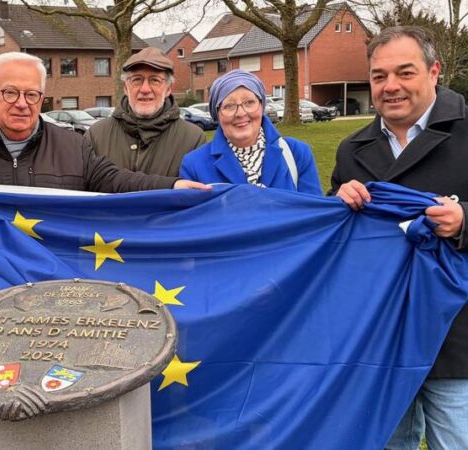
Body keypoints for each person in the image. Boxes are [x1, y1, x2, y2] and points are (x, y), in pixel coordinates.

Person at [329, 26, 468, 450]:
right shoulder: (353, 149)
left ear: (434, 71)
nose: (391, 87)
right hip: (382, 335)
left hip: (456, 336)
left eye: (405, 73)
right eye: (378, 76)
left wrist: (464, 222)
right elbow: (337, 243)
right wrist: (336, 202)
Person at [0, 52, 207, 192]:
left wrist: (173, 186)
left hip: (50, 283)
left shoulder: (73, 146)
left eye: (31, 94)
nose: (21, 103)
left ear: (42, 97)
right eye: (10, 92)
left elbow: (118, 180)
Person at [179, 69, 322, 194]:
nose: (240, 113)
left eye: (249, 102)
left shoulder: (297, 153)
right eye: (229, 106)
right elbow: (195, 221)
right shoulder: (194, 165)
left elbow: (314, 216)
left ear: (261, 106)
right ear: (217, 114)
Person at [84, 47, 206, 176]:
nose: (145, 89)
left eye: (155, 80)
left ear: (169, 89)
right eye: (137, 80)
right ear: (126, 87)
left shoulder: (193, 139)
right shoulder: (96, 136)